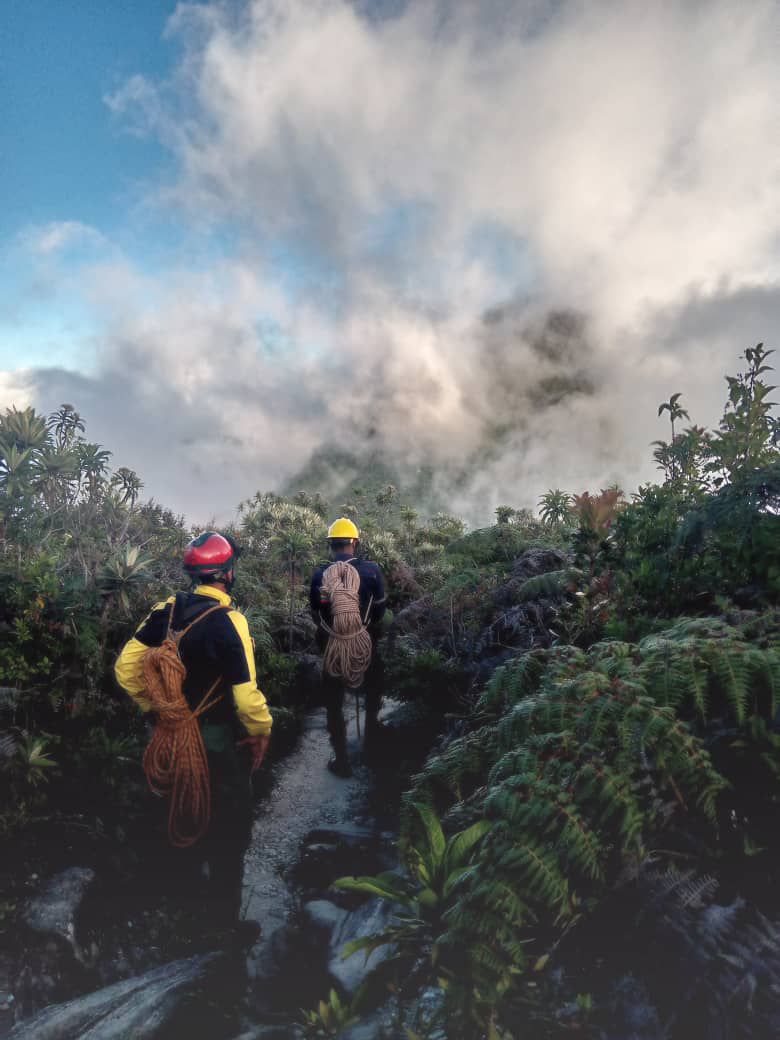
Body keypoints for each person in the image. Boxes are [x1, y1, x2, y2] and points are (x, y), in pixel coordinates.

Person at [114, 531, 272, 929]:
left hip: (169, 737)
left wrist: (159, 709)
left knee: (178, 814)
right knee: (229, 828)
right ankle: (223, 926)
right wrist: (262, 731)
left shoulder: (165, 612)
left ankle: (180, 911)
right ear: (228, 574)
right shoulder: (229, 622)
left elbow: (126, 669)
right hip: (214, 743)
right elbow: (246, 697)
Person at [309, 518, 386, 778]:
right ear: (355, 543)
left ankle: (341, 759)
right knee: (374, 692)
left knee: (333, 702)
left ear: (331, 544)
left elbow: (316, 615)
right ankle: (373, 751)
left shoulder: (320, 575)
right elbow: (379, 611)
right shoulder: (372, 571)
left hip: (332, 646)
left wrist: (336, 632)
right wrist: (360, 630)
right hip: (365, 641)